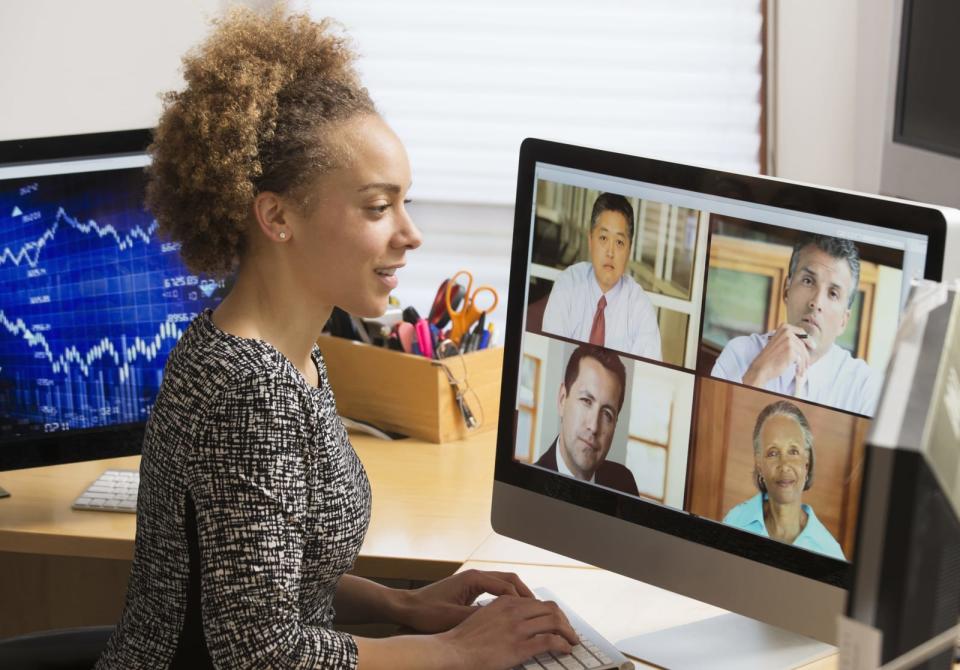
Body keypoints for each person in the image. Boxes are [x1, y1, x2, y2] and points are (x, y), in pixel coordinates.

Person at [95, 8, 577, 670]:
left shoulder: (282, 349)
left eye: (405, 202)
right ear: (277, 217)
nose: (411, 234)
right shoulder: (251, 394)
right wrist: (455, 651)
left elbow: (256, 574)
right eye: (378, 208)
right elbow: (261, 655)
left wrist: (402, 606)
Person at [711, 234, 882, 416]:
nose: (816, 302)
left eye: (833, 293)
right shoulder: (739, 354)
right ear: (787, 291)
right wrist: (759, 373)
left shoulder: (864, 387)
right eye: (808, 281)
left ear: (843, 321)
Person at [541, 193, 662, 360]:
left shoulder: (640, 308)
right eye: (603, 238)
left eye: (619, 242)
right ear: (590, 240)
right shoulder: (568, 284)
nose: (610, 252)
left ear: (629, 250)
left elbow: (647, 376)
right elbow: (551, 356)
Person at [723, 400, 845, 560]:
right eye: (773, 453)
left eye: (793, 451)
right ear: (759, 464)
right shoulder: (735, 520)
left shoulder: (830, 552)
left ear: (806, 463)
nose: (784, 465)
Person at [535, 344, 640, 496]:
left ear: (615, 424)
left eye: (607, 414)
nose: (594, 427)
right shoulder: (529, 482)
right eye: (586, 401)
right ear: (562, 399)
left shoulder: (624, 483)